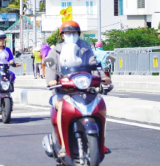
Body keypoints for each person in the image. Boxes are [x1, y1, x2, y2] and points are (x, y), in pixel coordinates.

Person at [45, 20, 111, 157]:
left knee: (100, 104)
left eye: (74, 32)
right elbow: (50, 67)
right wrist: (52, 80)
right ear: (62, 35)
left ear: (78, 34)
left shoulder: (85, 48)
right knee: (61, 106)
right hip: (63, 91)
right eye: (68, 33)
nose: (71, 35)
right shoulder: (55, 51)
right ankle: (63, 145)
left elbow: (94, 66)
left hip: (84, 89)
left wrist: (102, 77)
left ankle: (100, 142)